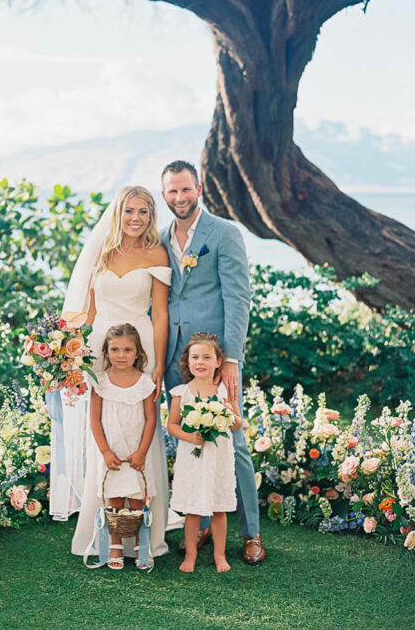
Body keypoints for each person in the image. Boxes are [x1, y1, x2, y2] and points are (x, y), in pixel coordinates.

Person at [160, 162, 262, 565]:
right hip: (174, 357)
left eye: (185, 189)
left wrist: (231, 358)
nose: (180, 198)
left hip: (214, 358)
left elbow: (239, 298)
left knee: (232, 442)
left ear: (198, 188)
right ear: (164, 194)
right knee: (189, 443)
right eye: (171, 192)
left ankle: (251, 533)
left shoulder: (224, 233)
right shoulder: (160, 238)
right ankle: (200, 522)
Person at [64, 185, 171, 561]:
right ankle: (104, 529)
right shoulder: (102, 254)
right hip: (100, 348)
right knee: (104, 425)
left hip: (138, 343)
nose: (136, 218)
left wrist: (158, 362)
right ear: (118, 213)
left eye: (143, 211)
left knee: (139, 421)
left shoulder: (157, 253)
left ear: (150, 216)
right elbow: (88, 315)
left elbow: (160, 312)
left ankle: (143, 533)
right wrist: (66, 349)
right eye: (129, 211)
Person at [85, 324, 159, 570]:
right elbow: (94, 419)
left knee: (138, 502)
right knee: (114, 502)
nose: (121, 354)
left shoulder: (145, 383)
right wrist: (105, 451)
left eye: (127, 349)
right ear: (106, 352)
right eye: (115, 349)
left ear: (137, 353)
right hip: (112, 453)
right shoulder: (100, 383)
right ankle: (114, 545)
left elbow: (151, 420)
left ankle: (142, 545)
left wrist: (142, 452)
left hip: (136, 452)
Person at [168, 332, 243, 573]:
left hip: (219, 457)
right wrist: (189, 436)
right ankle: (190, 554)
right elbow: (172, 425)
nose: (200, 362)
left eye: (207, 357)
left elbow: (237, 425)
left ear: (218, 362)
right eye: (195, 357)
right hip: (192, 457)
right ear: (187, 362)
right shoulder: (182, 392)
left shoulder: (224, 391)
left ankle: (219, 555)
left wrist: (231, 412)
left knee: (218, 507)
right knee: (192, 508)